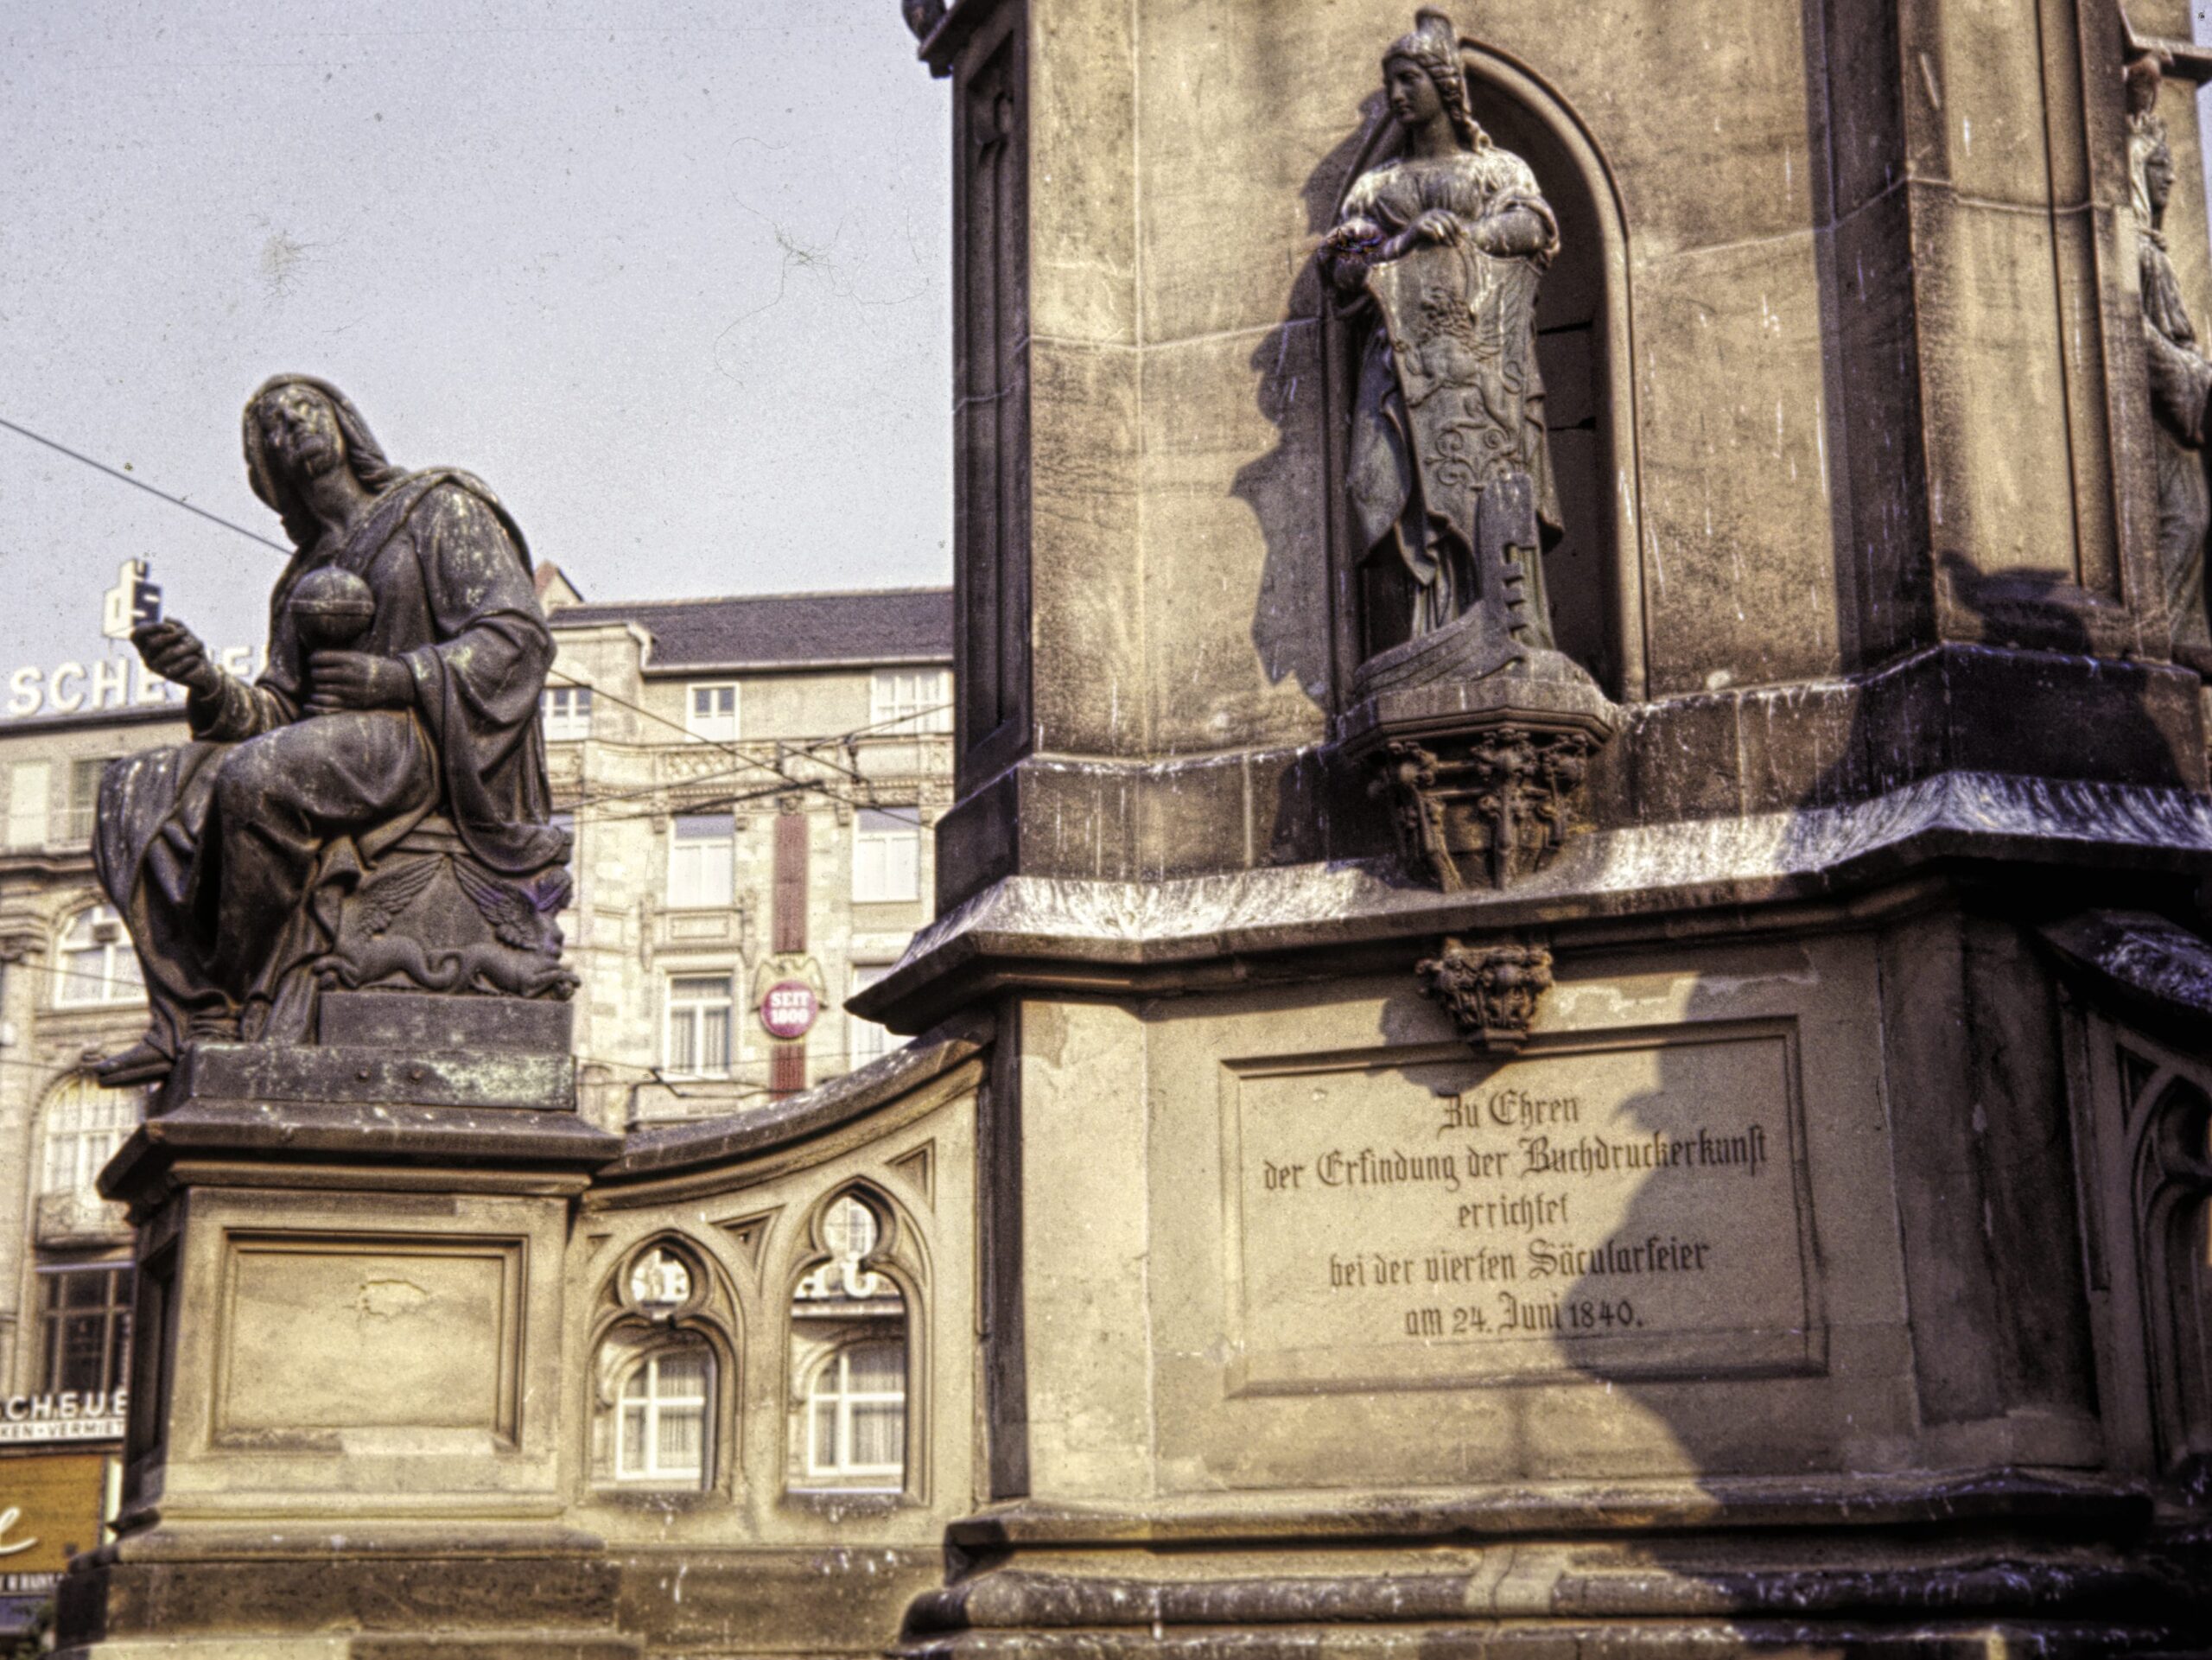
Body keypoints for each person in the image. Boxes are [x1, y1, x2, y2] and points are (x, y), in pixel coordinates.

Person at [92, 375, 565, 1084]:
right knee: (131, 785)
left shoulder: (438, 507)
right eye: (273, 428)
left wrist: (399, 678)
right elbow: (279, 711)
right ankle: (188, 1014)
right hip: (329, 746)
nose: (292, 428)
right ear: (267, 468)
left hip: (424, 741)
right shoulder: (300, 578)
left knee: (259, 778)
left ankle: (231, 1000)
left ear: (344, 420)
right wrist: (205, 682)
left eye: (303, 409)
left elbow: (517, 638)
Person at [1321, 7, 1561, 662]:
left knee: (1490, 491)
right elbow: (1341, 267)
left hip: (1485, 373)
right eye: (1391, 82)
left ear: (1444, 84)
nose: (1398, 96)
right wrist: (1401, 240)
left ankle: (1506, 627)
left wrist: (1469, 235)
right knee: (1391, 491)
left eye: (1408, 80)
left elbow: (1536, 228)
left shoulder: (1498, 173)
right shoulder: (1376, 189)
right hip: (1403, 378)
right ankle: (1424, 645)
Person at [2128, 54, 2212, 672]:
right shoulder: (2137, 252)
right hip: (2162, 414)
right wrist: (2187, 378)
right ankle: (2162, 631)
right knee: (2182, 519)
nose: (2170, 181)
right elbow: (2134, 332)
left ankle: (2180, 630)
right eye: (2161, 169)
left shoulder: (2155, 252)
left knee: (2194, 518)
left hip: (2184, 410)